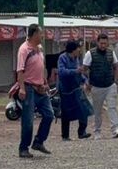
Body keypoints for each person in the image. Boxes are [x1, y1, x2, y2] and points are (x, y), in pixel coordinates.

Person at [16, 24, 54, 158]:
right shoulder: (24, 49)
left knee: (49, 115)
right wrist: (21, 88)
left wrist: (45, 82)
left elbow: (41, 67)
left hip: (40, 88)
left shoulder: (39, 49)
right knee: (28, 120)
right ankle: (23, 148)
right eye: (40, 33)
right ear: (33, 34)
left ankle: (38, 141)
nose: (42, 36)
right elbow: (20, 70)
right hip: (28, 87)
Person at [83, 33, 118, 139]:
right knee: (97, 110)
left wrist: (115, 80)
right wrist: (87, 81)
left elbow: (115, 66)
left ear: (108, 43)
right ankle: (97, 131)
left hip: (110, 85)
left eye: (105, 43)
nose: (103, 45)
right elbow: (84, 69)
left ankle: (115, 129)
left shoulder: (111, 53)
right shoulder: (90, 53)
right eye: (101, 43)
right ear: (97, 42)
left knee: (112, 107)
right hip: (96, 86)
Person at [57, 41, 91, 140]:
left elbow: (80, 72)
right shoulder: (62, 58)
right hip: (65, 89)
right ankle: (65, 135)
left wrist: (85, 80)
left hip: (76, 88)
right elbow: (61, 72)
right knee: (66, 113)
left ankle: (82, 132)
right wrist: (74, 71)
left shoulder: (77, 59)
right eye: (78, 48)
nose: (79, 50)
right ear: (73, 50)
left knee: (84, 109)